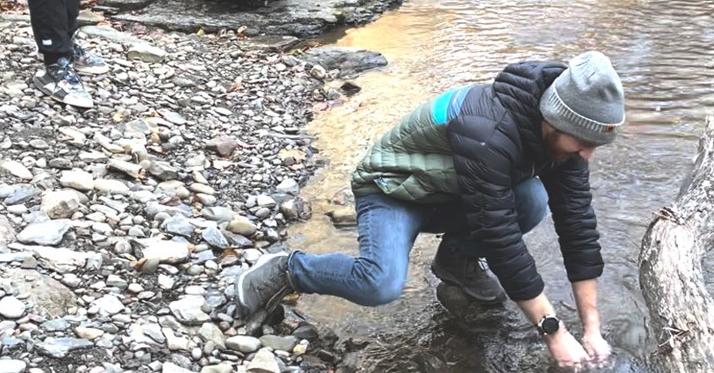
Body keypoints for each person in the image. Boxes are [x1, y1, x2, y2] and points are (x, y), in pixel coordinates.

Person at [237, 51, 625, 369]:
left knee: (531, 200)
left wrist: (592, 329)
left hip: (450, 191)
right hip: (392, 191)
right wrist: (553, 331)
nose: (588, 154)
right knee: (380, 283)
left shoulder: (564, 143)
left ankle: (456, 264)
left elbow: (578, 229)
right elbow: (500, 237)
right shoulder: (487, 129)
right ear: (556, 121)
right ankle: (288, 270)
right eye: (584, 142)